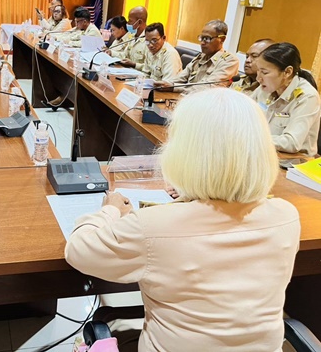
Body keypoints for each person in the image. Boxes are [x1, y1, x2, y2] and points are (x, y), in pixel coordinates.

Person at [65, 87, 300, 352]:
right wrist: (191, 195)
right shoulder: (287, 216)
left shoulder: (152, 226)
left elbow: (78, 250)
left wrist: (109, 211)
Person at [251, 42, 320, 156]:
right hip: (263, 152)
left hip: (293, 162)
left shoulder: (307, 97)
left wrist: (253, 137)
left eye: (264, 72)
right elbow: (243, 115)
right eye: (258, 70)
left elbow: (292, 142)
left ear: (287, 72)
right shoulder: (264, 88)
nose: (259, 78)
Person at [156, 19, 239, 90]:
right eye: (201, 38)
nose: (202, 43)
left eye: (207, 38)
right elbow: (180, 77)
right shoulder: (201, 57)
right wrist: (163, 84)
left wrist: (174, 87)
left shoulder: (229, 61)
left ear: (222, 39)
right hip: (184, 97)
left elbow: (207, 88)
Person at [109, 6, 148, 71]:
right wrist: (111, 53)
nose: (128, 23)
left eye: (130, 20)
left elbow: (149, 67)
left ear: (139, 22)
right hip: (128, 71)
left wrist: (134, 64)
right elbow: (125, 55)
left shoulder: (148, 40)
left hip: (140, 74)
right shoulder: (132, 36)